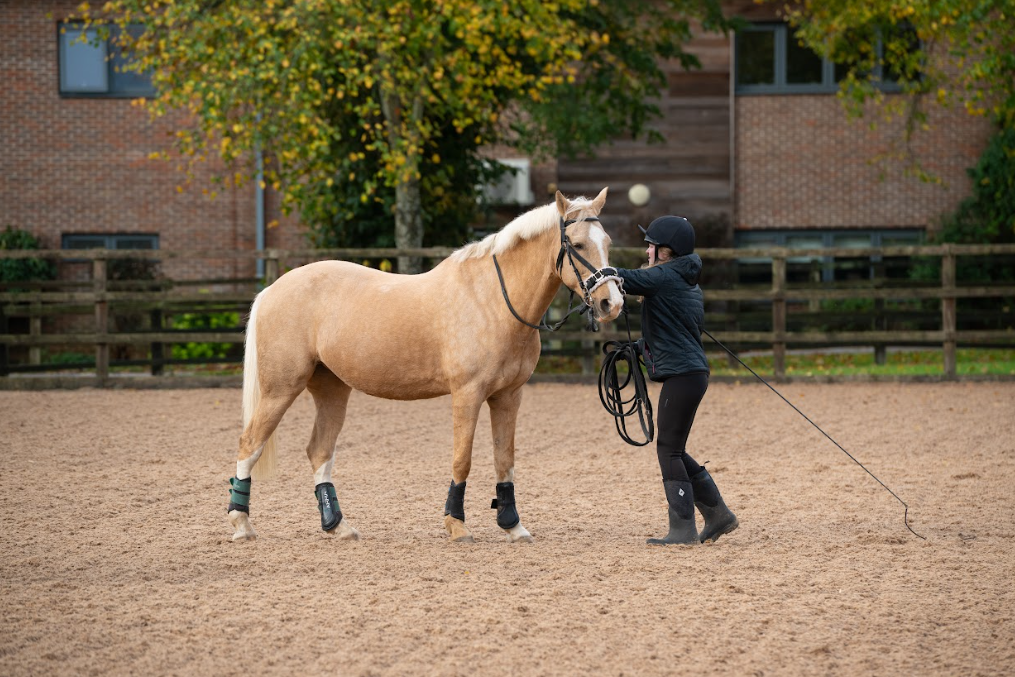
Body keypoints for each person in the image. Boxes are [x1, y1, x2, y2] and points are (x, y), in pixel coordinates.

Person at [613, 215, 739, 546]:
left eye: (651, 245)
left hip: (684, 376)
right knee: (675, 448)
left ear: (664, 251)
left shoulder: (666, 276)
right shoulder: (681, 280)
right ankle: (718, 515)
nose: (647, 250)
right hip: (690, 373)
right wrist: (637, 348)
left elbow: (629, 278)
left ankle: (682, 529)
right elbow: (671, 334)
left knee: (668, 449)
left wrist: (603, 273)